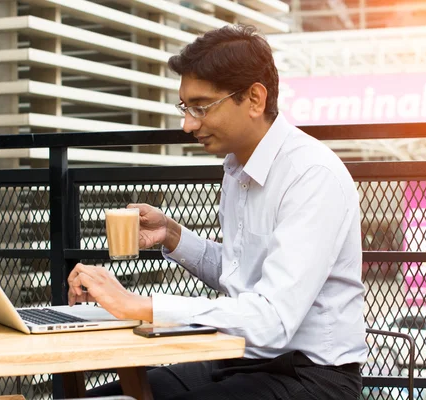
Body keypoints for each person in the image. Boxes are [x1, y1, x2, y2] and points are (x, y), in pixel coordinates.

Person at [68, 23, 368, 400]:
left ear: (255, 99)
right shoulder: (236, 168)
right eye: (185, 107)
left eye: (200, 107)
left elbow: (272, 320)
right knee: (100, 398)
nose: (187, 124)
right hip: (236, 357)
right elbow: (240, 275)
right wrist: (174, 236)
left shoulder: (312, 175)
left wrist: (139, 305)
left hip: (310, 376)